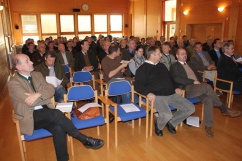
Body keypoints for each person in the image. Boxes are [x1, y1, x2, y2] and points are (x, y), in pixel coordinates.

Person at [8, 54, 104, 161]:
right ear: (19, 67)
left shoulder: (37, 74)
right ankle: (84, 139)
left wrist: (38, 94)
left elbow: (51, 89)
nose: (31, 62)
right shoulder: (13, 83)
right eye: (27, 61)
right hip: (30, 116)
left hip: (47, 113)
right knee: (55, 113)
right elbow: (29, 103)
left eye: (30, 60)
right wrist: (44, 94)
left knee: (58, 128)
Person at [170, 48, 241, 137]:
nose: (184, 55)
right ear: (177, 56)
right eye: (181, 54)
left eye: (185, 54)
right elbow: (177, 79)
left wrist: (201, 80)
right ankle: (223, 108)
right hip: (186, 89)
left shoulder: (190, 64)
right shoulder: (174, 66)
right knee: (207, 87)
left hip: (198, 87)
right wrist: (193, 81)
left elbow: (198, 75)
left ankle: (208, 126)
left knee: (208, 100)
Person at [134, 46, 195, 136]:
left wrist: (175, 87)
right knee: (167, 115)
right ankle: (158, 125)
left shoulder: (161, 66)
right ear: (152, 55)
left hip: (171, 94)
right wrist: (148, 93)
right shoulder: (142, 69)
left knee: (190, 108)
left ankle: (171, 123)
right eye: (159, 54)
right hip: (157, 96)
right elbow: (138, 86)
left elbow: (170, 79)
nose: (161, 55)